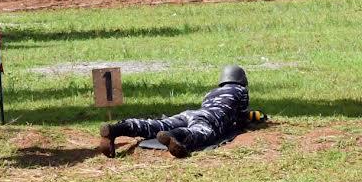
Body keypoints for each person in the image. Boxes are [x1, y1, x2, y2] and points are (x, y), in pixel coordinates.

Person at [99, 65, 252, 158]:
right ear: (242, 79)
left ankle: (116, 129)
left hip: (190, 113)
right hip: (210, 118)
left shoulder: (211, 92)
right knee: (200, 133)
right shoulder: (241, 91)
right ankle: (173, 136)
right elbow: (242, 117)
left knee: (156, 124)